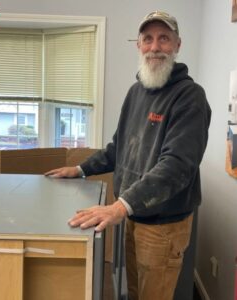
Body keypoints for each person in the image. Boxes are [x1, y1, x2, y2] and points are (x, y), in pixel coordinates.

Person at [45, 11, 211, 300]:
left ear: (178, 44)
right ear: (139, 45)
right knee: (135, 292)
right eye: (148, 39)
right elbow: (118, 148)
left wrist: (120, 206)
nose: (155, 47)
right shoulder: (136, 92)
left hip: (163, 226)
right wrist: (81, 169)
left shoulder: (190, 97)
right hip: (135, 214)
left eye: (164, 39)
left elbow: (176, 166)